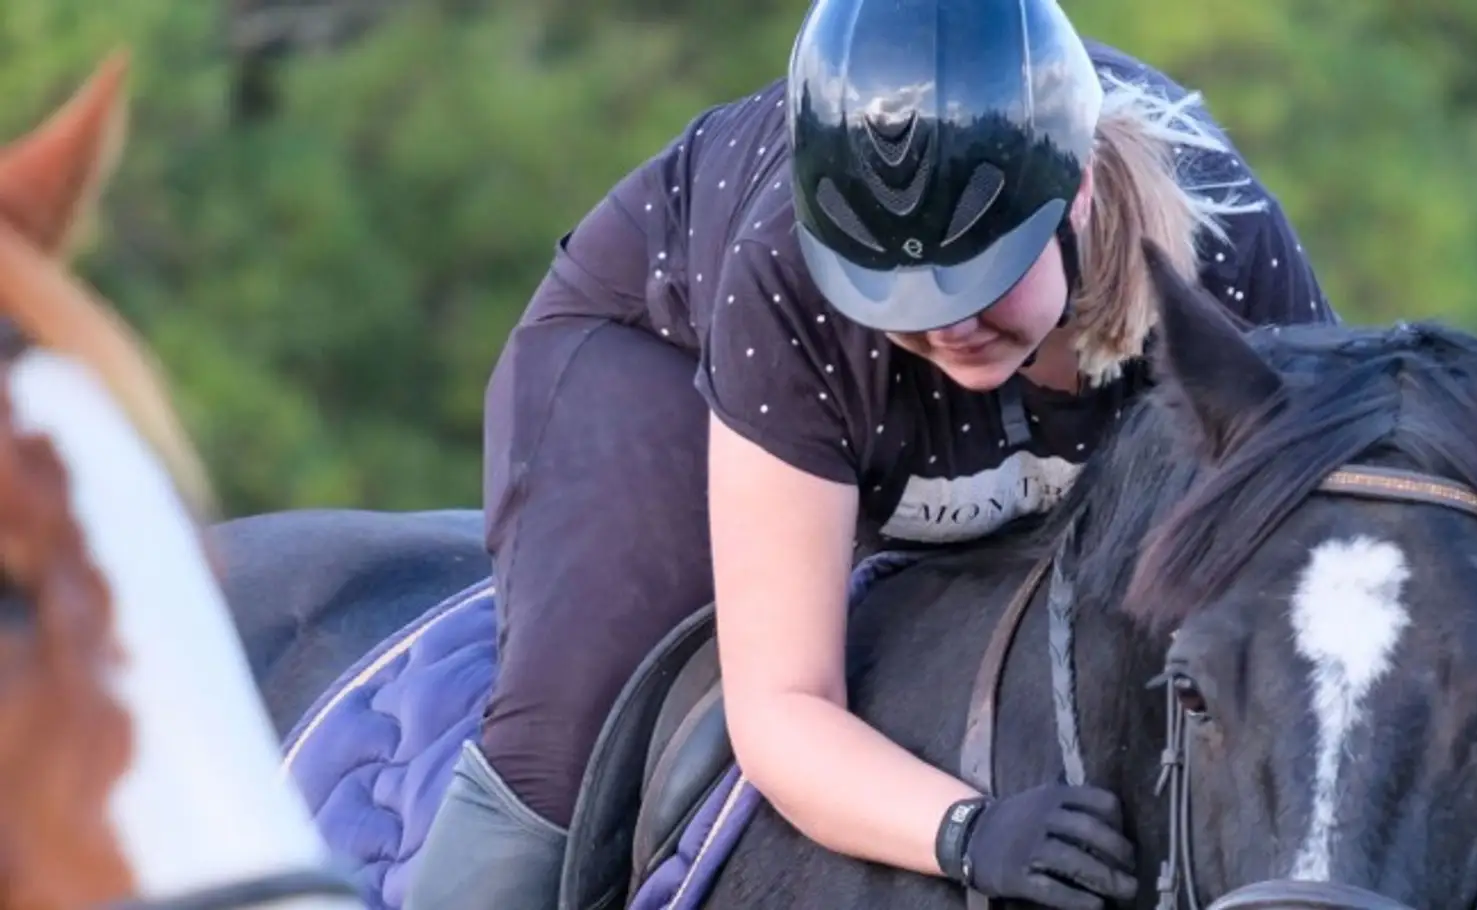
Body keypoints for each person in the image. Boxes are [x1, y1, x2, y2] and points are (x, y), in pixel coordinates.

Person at [406, 1, 1338, 908]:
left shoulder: (1225, 246)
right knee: (564, 739)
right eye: (904, 295)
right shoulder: (787, 275)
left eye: (984, 273)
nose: (952, 325)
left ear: (1080, 192)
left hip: (913, 350)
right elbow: (780, 705)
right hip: (655, 347)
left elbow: (1329, 598)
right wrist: (968, 829)